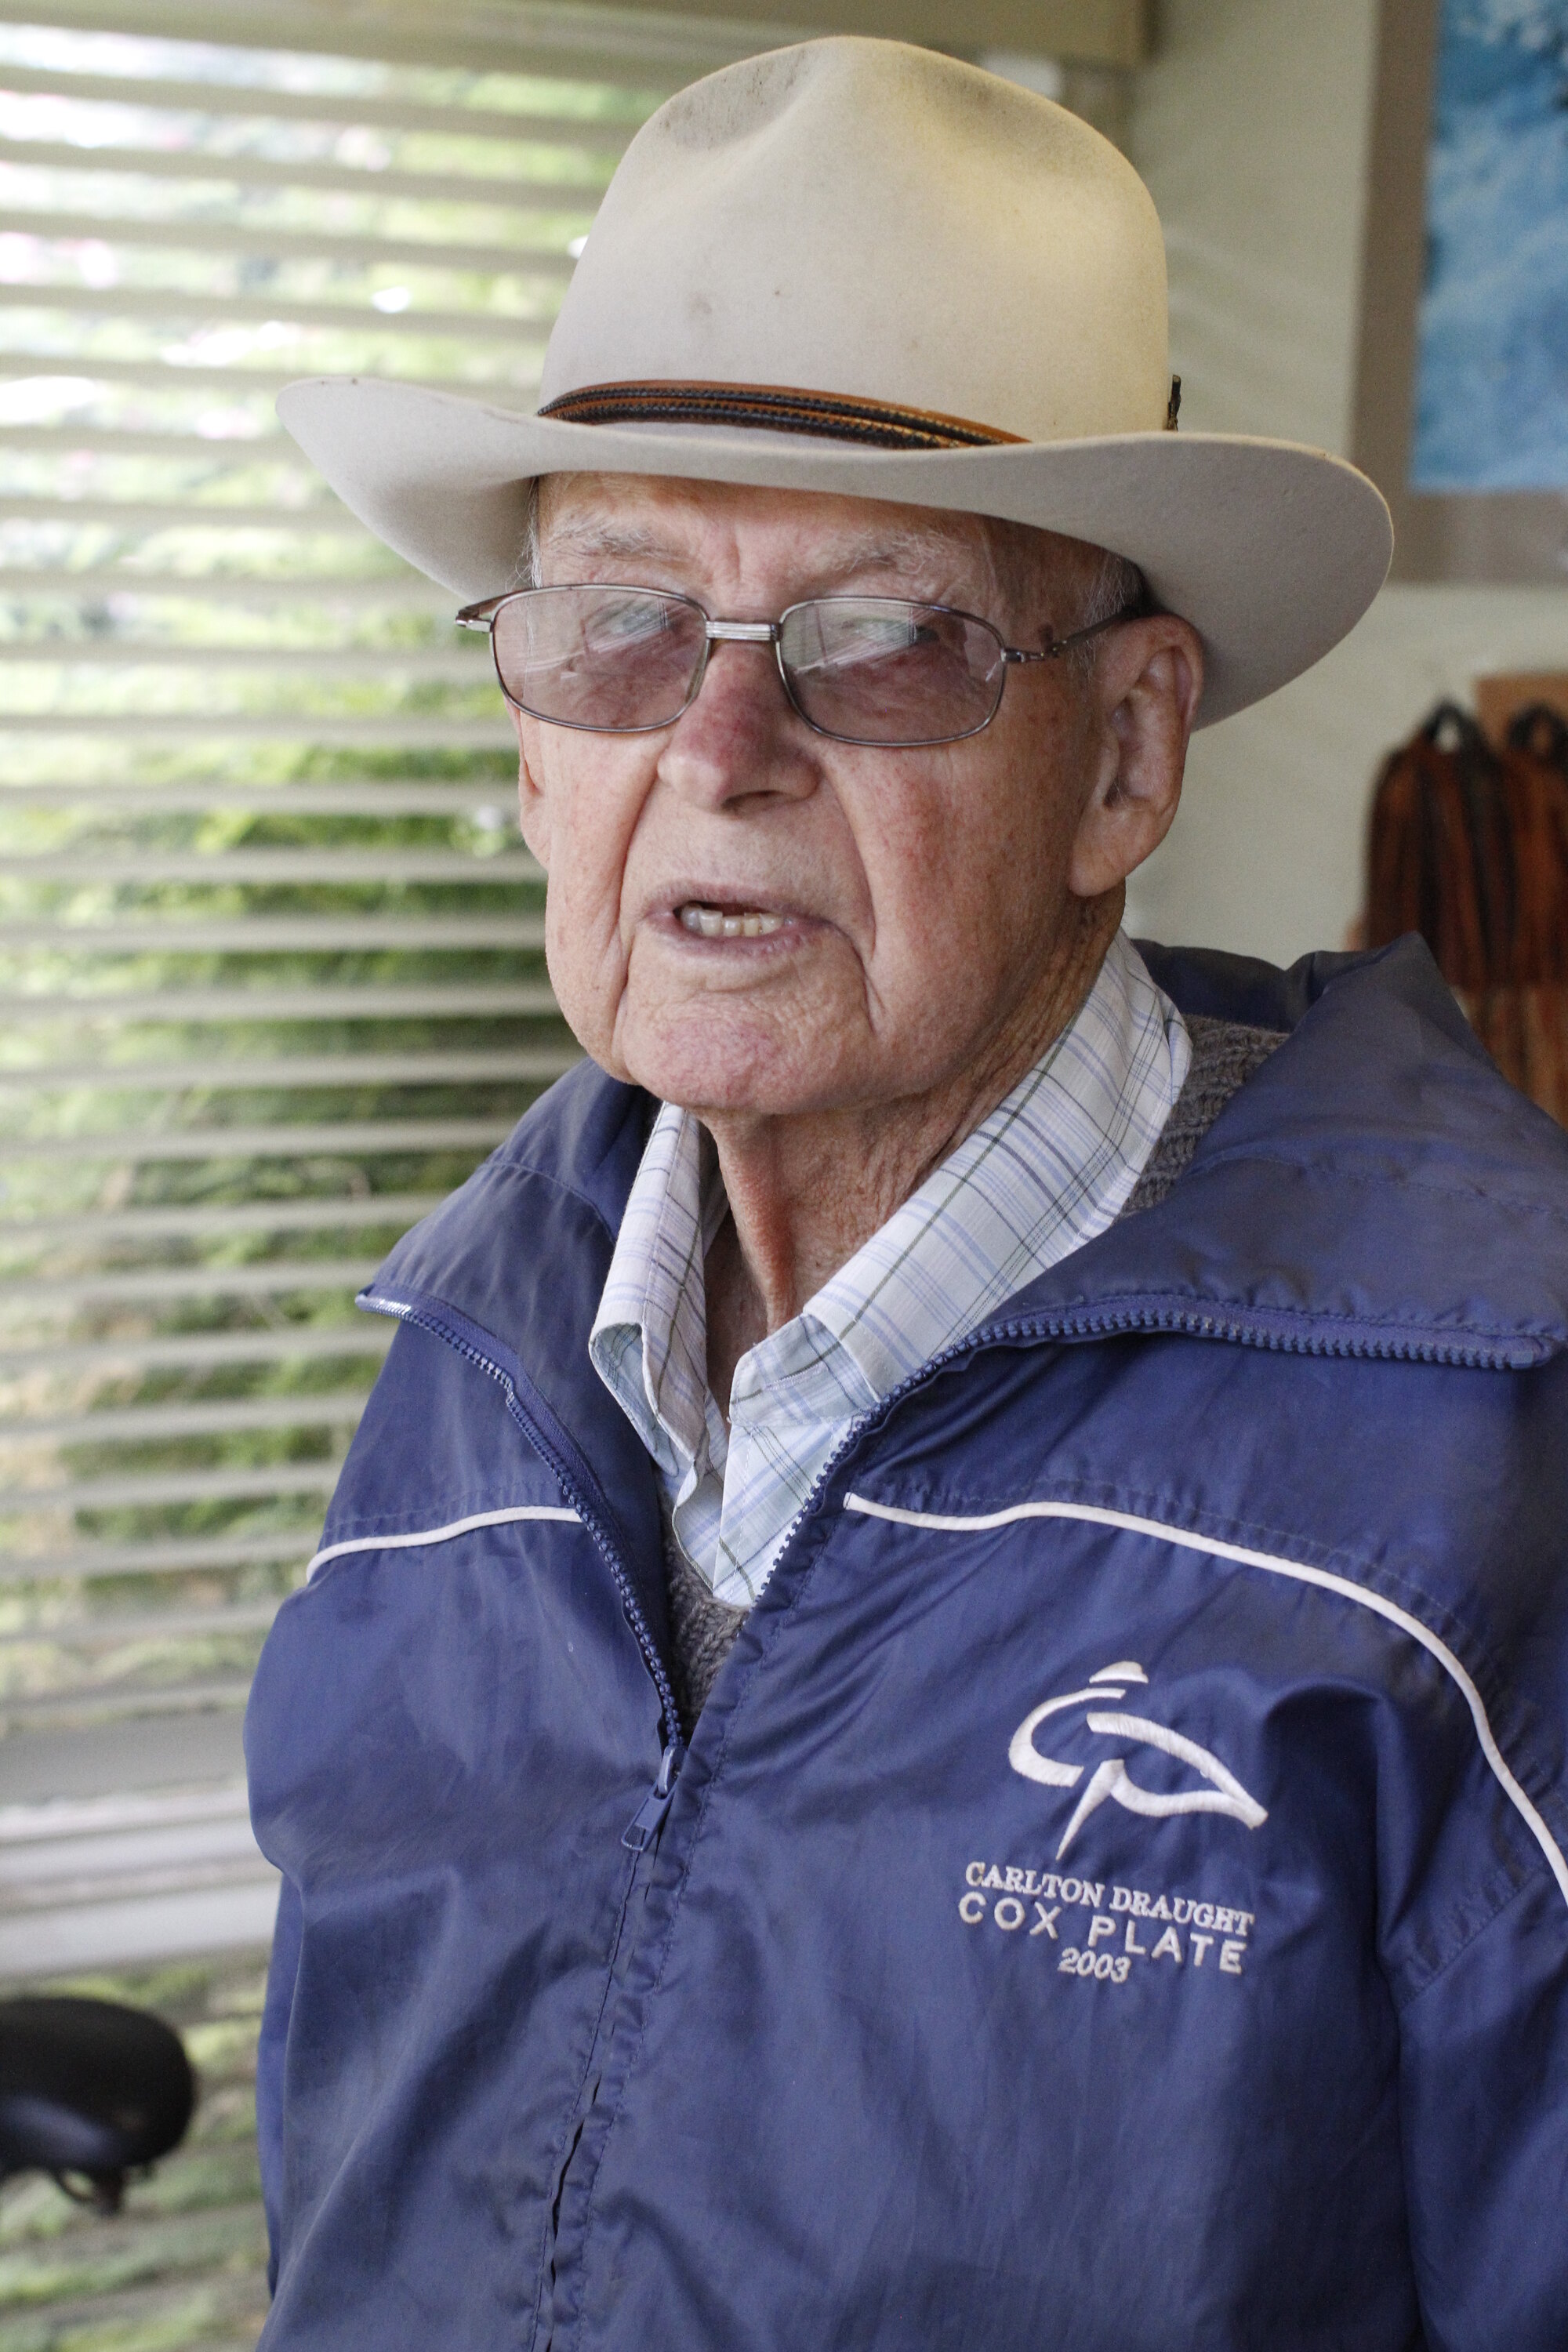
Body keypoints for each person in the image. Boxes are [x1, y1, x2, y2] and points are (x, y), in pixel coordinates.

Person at [248, 37, 1568, 2351]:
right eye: (621, 625)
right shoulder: (464, 1393)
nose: (719, 752)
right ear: (531, 743)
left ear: (1126, 752)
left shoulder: (1488, 1489)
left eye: (885, 642)